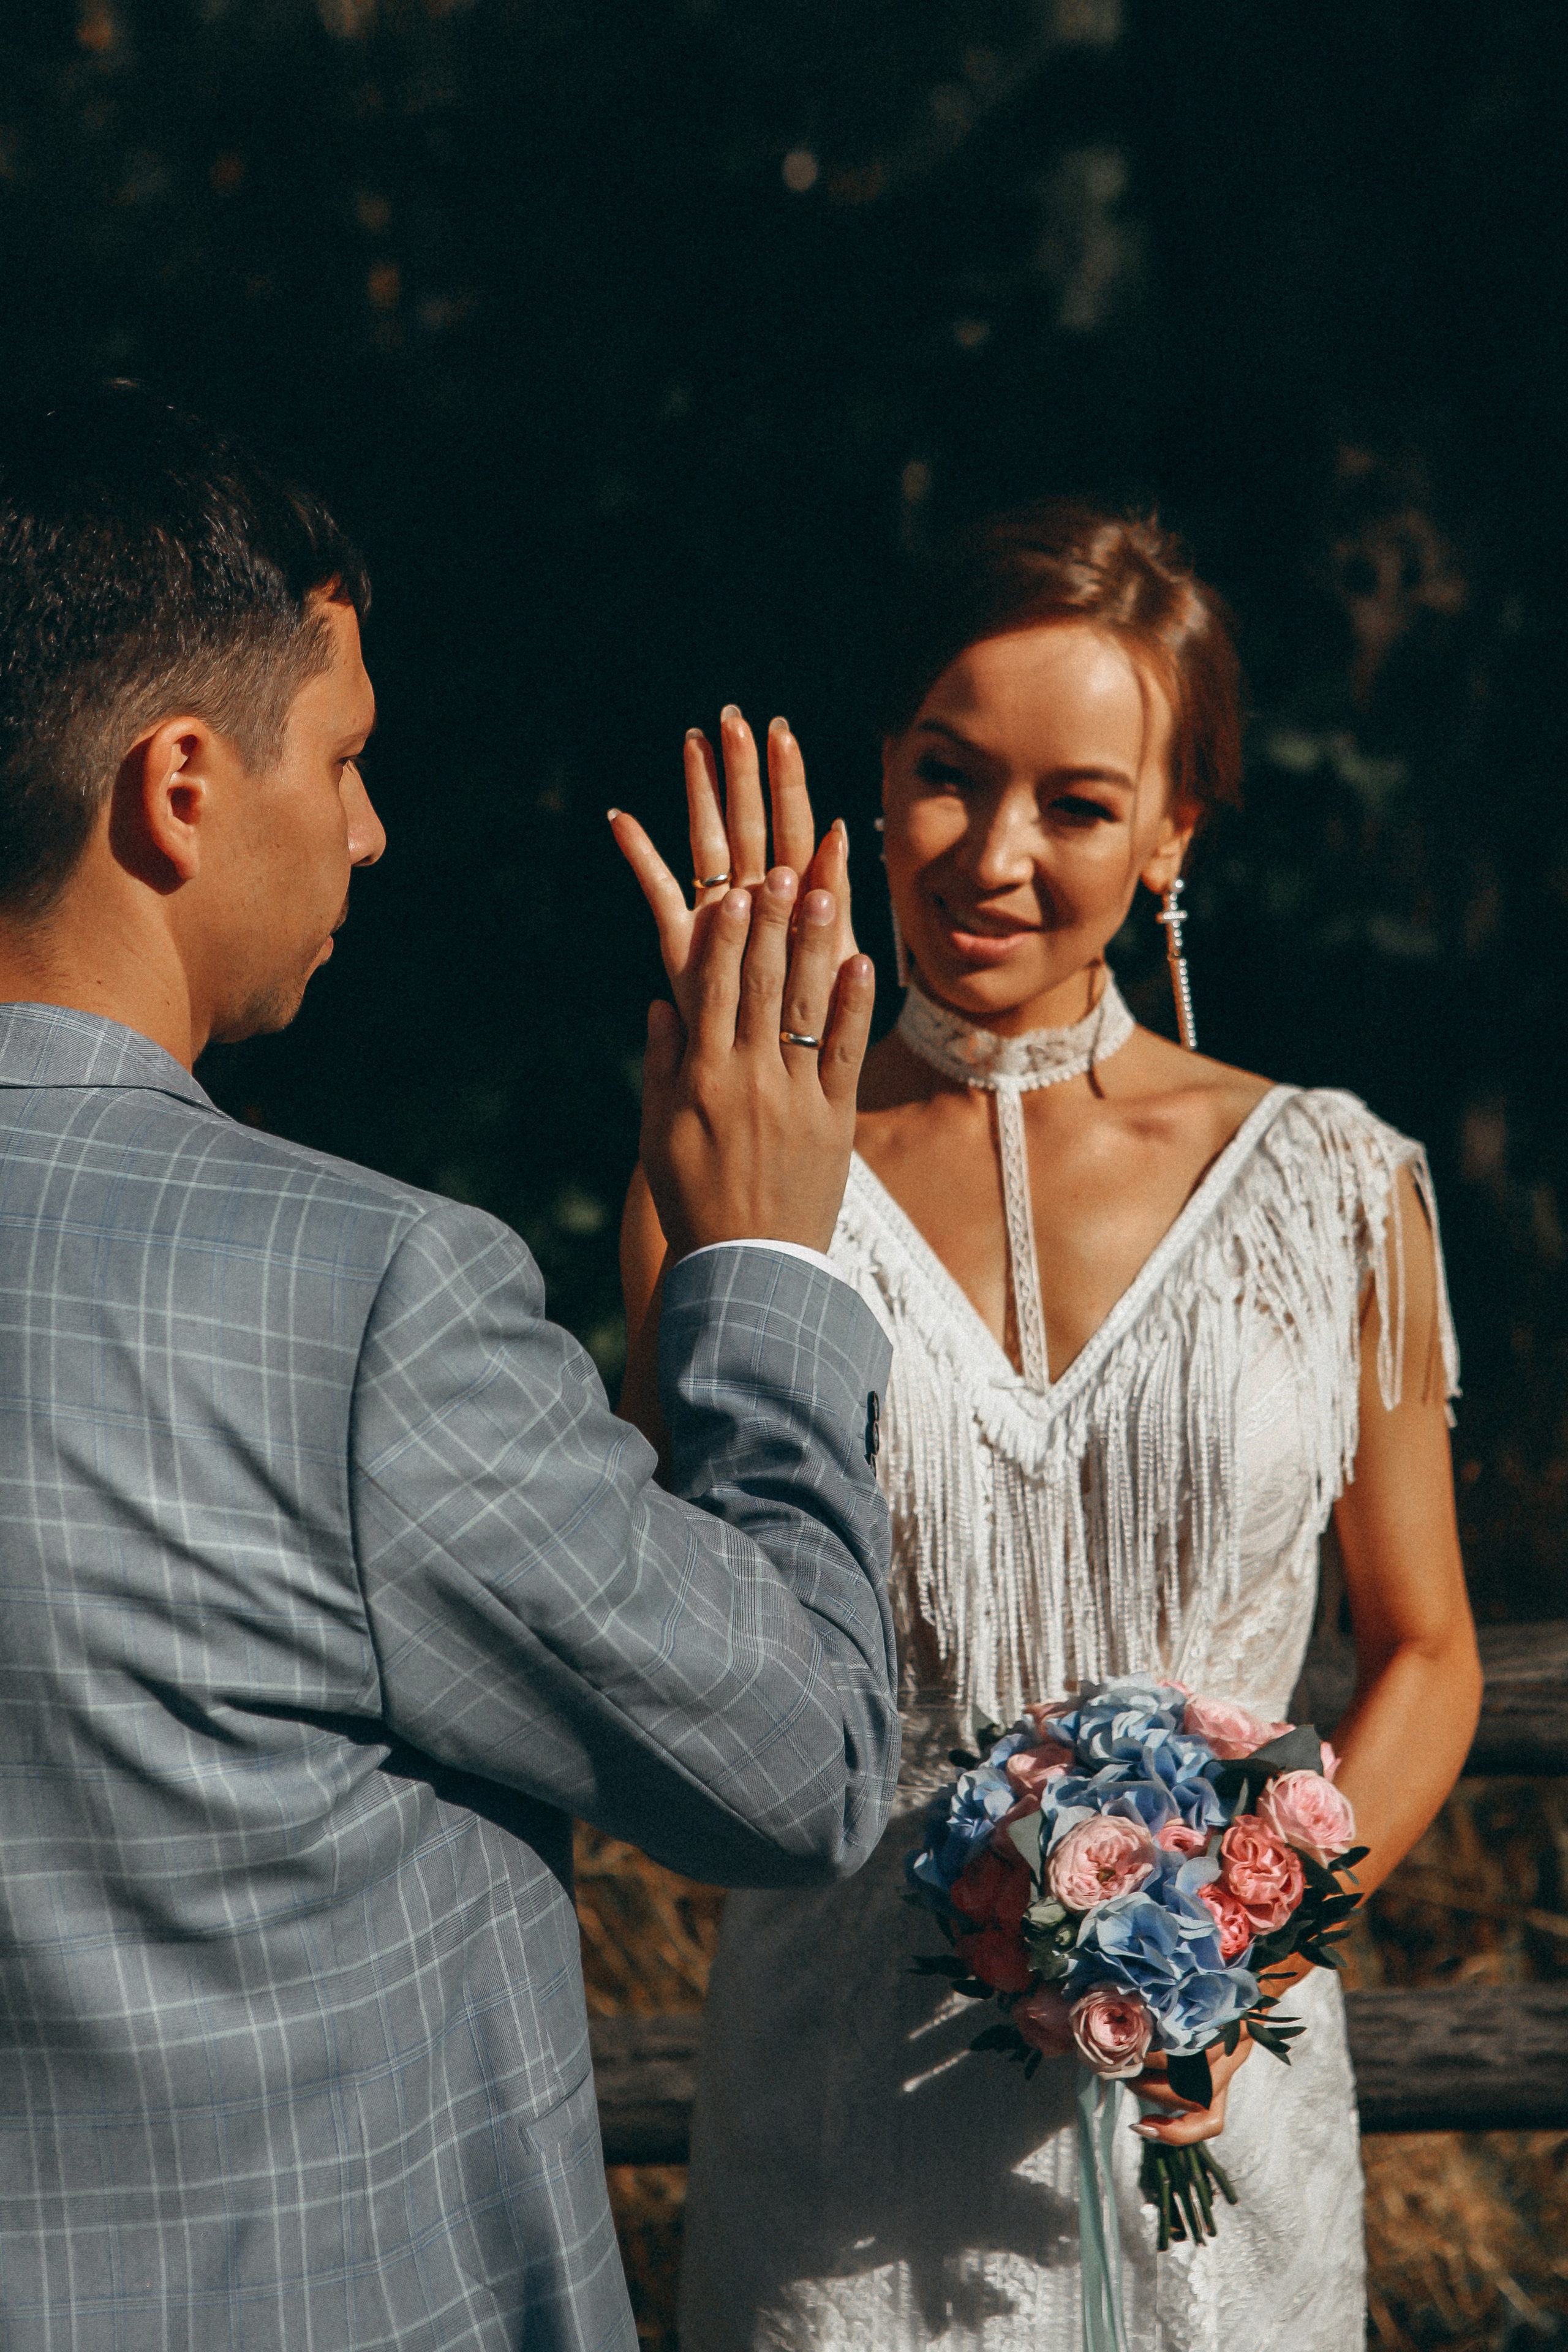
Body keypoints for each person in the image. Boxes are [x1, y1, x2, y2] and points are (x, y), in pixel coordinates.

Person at [0, 381, 898, 2352]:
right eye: (344, 757)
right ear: (176, 785)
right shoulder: (359, 1299)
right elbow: (803, 1757)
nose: (374, 826)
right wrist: (753, 1257)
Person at [616, 502, 1483, 2351]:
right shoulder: (738, 1169)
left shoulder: (1334, 1185)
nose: (993, 856)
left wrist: (1245, 1936)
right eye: (947, 778)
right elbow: (676, 1627)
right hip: (843, 2136)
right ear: (881, 775)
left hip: (1214, 2114)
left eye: (1077, 804)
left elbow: (1425, 1652)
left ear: (1176, 828)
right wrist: (734, 1165)